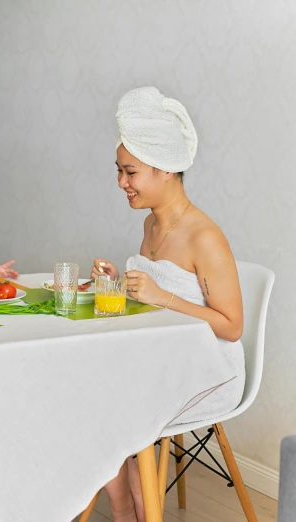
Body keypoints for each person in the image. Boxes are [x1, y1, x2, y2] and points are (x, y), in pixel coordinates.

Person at [93, 86, 244, 521]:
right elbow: (158, 304)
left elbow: (231, 327)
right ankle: (127, 509)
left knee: (119, 397)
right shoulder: (151, 224)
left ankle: (132, 512)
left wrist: (162, 296)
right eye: (120, 171)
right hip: (163, 355)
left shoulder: (204, 237)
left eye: (130, 172)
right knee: (95, 384)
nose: (121, 182)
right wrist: (120, 285)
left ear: (165, 171)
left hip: (210, 367)